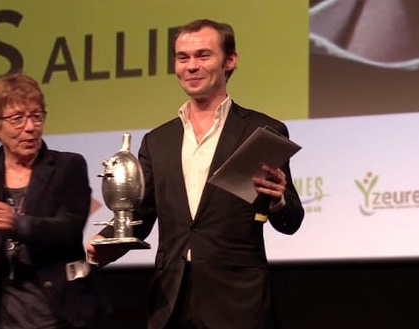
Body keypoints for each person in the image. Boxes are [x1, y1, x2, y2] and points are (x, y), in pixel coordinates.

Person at [86, 19, 304, 329]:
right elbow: (141, 216)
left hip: (237, 304)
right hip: (171, 303)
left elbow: (291, 221)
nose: (191, 66)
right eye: (182, 57)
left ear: (230, 61)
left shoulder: (260, 131)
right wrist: (104, 245)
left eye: (203, 55)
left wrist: (279, 200)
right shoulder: (157, 141)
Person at [0, 72, 110, 329]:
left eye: (37, 116)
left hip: (58, 315)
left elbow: (70, 228)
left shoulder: (68, 166)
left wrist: (17, 224)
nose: (30, 127)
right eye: (17, 119)